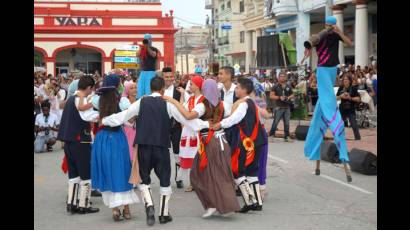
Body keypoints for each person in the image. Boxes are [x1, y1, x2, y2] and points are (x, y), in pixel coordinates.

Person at [101, 76, 205, 226]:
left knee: (144, 179)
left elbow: (123, 117)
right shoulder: (167, 103)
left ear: (150, 88)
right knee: (164, 180)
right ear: (163, 89)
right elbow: (185, 120)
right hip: (161, 146)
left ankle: (149, 206)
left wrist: (104, 120)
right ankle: (163, 213)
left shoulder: (141, 102)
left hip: (143, 146)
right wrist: (205, 124)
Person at [164, 79, 241, 218]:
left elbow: (187, 115)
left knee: (204, 175)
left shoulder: (203, 105)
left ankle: (220, 205)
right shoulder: (224, 104)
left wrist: (172, 101)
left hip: (210, 143)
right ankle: (216, 205)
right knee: (213, 175)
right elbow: (231, 117)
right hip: (220, 141)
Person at [302, 16, 353, 182]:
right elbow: (310, 44)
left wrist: (339, 31)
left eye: (332, 25)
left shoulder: (336, 34)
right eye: (328, 25)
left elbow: (349, 43)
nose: (330, 27)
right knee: (328, 100)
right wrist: (307, 51)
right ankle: (334, 121)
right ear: (325, 24)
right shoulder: (320, 35)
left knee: (323, 105)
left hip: (333, 69)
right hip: (323, 69)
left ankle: (325, 118)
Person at [211, 78, 267, 213]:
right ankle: (257, 202)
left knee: (237, 170)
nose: (236, 90)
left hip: (249, 142)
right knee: (252, 171)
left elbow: (234, 119)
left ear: (244, 90)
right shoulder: (251, 102)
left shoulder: (244, 104)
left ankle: (249, 201)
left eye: (237, 88)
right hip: (258, 141)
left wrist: (219, 124)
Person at [91, 75, 140, 222]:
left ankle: (115, 210)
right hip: (117, 138)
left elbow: (91, 114)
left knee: (107, 171)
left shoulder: (97, 99)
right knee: (123, 170)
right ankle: (126, 209)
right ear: (117, 85)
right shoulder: (122, 100)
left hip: (102, 139)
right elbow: (131, 117)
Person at [57, 75, 100, 214]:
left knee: (73, 173)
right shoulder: (80, 100)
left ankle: (71, 203)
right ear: (89, 88)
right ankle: (84, 204)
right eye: (91, 89)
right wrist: (101, 114)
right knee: (85, 173)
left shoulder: (71, 99)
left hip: (69, 141)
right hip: (80, 140)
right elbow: (88, 116)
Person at [174, 75, 205, 192]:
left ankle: (200, 182)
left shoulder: (203, 100)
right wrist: (182, 95)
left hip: (197, 131)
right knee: (189, 156)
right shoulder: (191, 99)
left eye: (191, 84)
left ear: (197, 86)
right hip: (187, 131)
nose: (189, 86)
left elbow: (190, 114)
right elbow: (182, 108)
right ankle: (193, 183)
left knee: (198, 157)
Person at [162, 67, 184, 189]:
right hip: (162, 125)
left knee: (177, 152)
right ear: (162, 78)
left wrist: (183, 95)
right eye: (167, 77)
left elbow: (183, 108)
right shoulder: (158, 91)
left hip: (176, 125)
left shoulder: (179, 91)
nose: (169, 79)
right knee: (163, 153)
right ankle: (165, 178)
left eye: (171, 77)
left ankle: (179, 178)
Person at [268, 72, 294, 141]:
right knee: (275, 122)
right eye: (281, 76)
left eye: (284, 76)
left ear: (286, 77)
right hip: (278, 107)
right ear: (278, 78)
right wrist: (279, 97)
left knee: (287, 123)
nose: (282, 77)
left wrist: (288, 97)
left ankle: (286, 136)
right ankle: (271, 135)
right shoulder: (275, 86)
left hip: (287, 107)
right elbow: (271, 96)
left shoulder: (288, 86)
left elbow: (293, 94)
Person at [336, 74, 361, 140]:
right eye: (344, 79)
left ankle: (358, 139)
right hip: (342, 109)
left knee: (354, 125)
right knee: (339, 125)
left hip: (350, 108)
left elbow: (358, 99)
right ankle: (339, 138)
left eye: (346, 79)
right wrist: (341, 96)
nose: (345, 81)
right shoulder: (341, 88)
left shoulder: (353, 88)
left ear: (350, 81)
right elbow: (336, 97)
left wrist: (350, 98)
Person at [119, 81, 138, 161]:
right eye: (131, 88)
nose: (134, 90)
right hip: (128, 132)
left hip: (138, 132)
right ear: (127, 90)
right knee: (129, 157)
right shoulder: (124, 102)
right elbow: (131, 119)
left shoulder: (138, 100)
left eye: (135, 87)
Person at [138, 33, 159, 98]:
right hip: (143, 72)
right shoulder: (142, 48)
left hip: (151, 72)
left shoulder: (154, 49)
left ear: (151, 40)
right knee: (140, 89)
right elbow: (137, 54)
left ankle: (149, 101)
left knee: (149, 90)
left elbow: (153, 54)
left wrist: (147, 47)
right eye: (146, 39)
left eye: (149, 39)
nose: (147, 41)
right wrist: (143, 47)